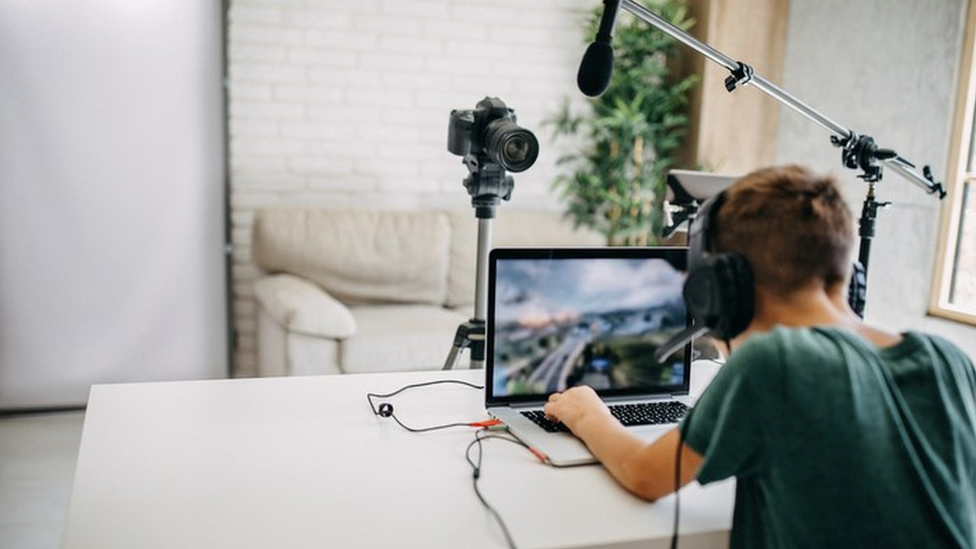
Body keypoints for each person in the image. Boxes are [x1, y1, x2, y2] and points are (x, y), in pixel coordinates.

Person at [543, 165, 976, 548]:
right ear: (849, 275)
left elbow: (644, 474)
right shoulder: (948, 360)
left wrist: (586, 413)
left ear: (719, 290)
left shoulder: (775, 362)